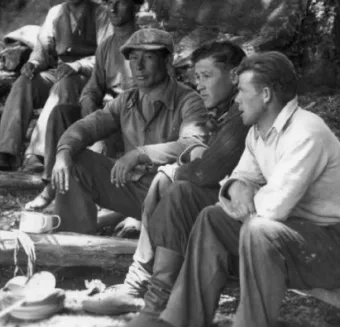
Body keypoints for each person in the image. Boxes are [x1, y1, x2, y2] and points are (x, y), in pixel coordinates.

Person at [128, 52, 340, 327]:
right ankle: (179, 322)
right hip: (300, 235)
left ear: (266, 95)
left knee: (258, 229)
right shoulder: (259, 132)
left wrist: (245, 193)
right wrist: (237, 186)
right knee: (212, 218)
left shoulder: (306, 132)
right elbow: (241, 177)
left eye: (243, 91)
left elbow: (273, 208)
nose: (236, 100)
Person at [85, 41, 249, 316]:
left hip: (250, 218)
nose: (199, 85)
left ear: (234, 76)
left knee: (178, 189)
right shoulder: (227, 110)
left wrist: (178, 168)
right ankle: (139, 285)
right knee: (166, 181)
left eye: (206, 76)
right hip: (233, 205)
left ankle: (153, 298)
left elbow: (206, 172)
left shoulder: (243, 112)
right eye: (197, 77)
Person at [49, 28, 208, 234]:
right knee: (76, 161)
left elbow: (193, 144)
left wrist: (141, 154)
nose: (139, 66)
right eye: (133, 58)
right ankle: (74, 244)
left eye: (148, 57)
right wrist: (63, 152)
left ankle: (144, 226)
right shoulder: (126, 100)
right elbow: (86, 127)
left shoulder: (189, 100)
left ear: (168, 61)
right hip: (132, 188)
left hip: (170, 192)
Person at [24, 0, 145, 211]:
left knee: (102, 133)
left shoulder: (146, 43)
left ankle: (101, 197)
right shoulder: (107, 46)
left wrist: (106, 112)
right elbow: (93, 86)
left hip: (134, 117)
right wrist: (88, 102)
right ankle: (52, 184)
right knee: (60, 114)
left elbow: (153, 92)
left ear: (135, 8)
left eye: (120, 4)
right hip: (107, 113)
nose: (113, 9)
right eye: (109, 4)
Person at [0, 0, 108, 172]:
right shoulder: (56, 13)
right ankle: (6, 151)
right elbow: (43, 49)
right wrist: (33, 64)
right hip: (59, 71)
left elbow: (105, 57)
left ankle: (37, 153)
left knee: (63, 85)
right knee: (24, 83)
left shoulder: (101, 14)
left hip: (88, 76)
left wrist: (78, 65)